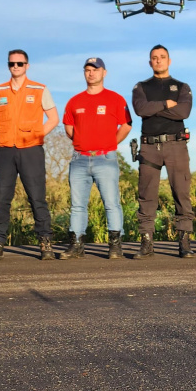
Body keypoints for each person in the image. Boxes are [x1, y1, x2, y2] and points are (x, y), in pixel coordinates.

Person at [0, 49, 59, 261]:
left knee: (37, 198)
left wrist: (35, 135)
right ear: (8, 65)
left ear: (27, 65)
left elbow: (53, 118)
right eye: (12, 63)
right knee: (1, 198)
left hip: (31, 151)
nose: (15, 67)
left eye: (20, 63)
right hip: (5, 152)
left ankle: (45, 242)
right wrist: (6, 133)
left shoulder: (40, 89)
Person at [60, 57, 133, 260]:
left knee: (111, 203)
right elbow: (68, 126)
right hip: (79, 159)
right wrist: (82, 142)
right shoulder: (74, 101)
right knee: (77, 205)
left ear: (104, 72)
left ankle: (115, 245)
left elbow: (126, 125)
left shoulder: (116, 99)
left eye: (95, 69)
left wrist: (111, 143)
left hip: (105, 159)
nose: (91, 73)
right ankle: (76, 244)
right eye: (87, 70)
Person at [131, 45, 194, 259]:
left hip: (176, 145)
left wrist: (154, 108)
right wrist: (167, 104)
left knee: (181, 193)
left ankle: (184, 240)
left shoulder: (181, 86)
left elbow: (183, 111)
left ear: (169, 60)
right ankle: (146, 242)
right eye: (154, 58)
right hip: (149, 147)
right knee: (147, 195)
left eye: (162, 57)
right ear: (150, 62)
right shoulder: (141, 87)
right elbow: (141, 109)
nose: (158, 60)